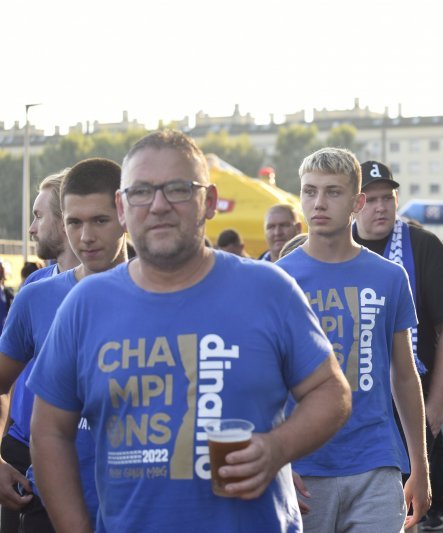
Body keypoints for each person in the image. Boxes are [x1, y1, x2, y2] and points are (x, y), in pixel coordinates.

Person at [26, 130, 352, 532]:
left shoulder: (268, 290)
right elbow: (49, 432)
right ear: (122, 206)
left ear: (209, 202)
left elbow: (331, 392)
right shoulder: (85, 305)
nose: (159, 205)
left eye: (179, 189)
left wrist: (277, 448)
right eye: (141, 191)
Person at [279, 147, 430, 531]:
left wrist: (421, 464)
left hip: (376, 461)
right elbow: (261, 379)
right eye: (310, 191)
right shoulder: (277, 279)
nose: (319, 202)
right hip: (303, 464)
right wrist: (278, 461)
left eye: (332, 192)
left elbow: (404, 374)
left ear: (356, 202)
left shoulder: (389, 277)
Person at [0, 158, 129, 533]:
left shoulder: (167, 292)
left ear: (124, 213)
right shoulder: (36, 298)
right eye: (74, 222)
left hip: (142, 506)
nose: (86, 237)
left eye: (100, 221)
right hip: (50, 505)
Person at [353, 160, 443, 530]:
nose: (381, 206)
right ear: (355, 203)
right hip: (349, 411)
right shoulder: (334, 247)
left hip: (409, 409)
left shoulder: (423, 246)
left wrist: (434, 408)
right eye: (371, 199)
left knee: (404, 515)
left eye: (388, 197)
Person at [0, 169, 81, 533]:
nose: (31, 229)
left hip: (98, 459)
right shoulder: (35, 288)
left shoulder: (135, 288)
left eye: (38, 216)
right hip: (24, 450)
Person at [24, 170, 80, 286]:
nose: (31, 229)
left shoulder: (107, 286)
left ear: (65, 220)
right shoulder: (33, 282)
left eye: (39, 216)